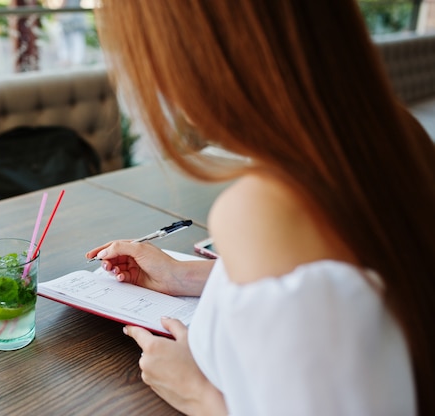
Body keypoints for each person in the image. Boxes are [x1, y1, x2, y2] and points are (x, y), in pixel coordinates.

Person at [85, 2, 435, 415]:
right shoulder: (400, 133)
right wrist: (182, 275)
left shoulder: (262, 208)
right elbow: (339, 286)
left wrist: (196, 393)